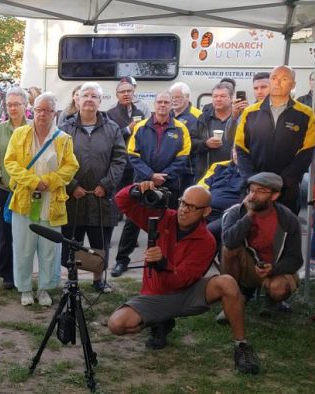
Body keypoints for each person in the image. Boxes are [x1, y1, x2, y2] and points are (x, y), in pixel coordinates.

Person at [107, 181, 260, 375]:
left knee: (227, 282)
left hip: (186, 293)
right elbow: (121, 202)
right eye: (182, 203)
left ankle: (241, 346)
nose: (183, 210)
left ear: (205, 212)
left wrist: (162, 262)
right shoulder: (161, 218)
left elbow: (182, 279)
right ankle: (158, 322)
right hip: (155, 294)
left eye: (191, 207)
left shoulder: (206, 241)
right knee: (116, 325)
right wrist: (137, 188)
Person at [4, 92, 79, 307]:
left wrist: (49, 180)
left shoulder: (63, 139)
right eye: (38, 110)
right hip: (25, 201)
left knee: (49, 249)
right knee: (23, 247)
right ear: (32, 111)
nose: (42, 114)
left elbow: (71, 166)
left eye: (47, 110)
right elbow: (10, 163)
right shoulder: (20, 134)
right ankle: (25, 289)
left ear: (54, 113)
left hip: (51, 202)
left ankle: (45, 288)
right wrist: (32, 181)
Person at [111, 91, 190, 277]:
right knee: (132, 224)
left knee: (168, 225)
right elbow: (133, 155)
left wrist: (165, 176)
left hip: (169, 185)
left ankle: (165, 262)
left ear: (171, 105)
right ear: (154, 105)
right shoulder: (140, 127)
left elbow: (183, 157)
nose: (163, 105)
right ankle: (121, 261)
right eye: (160, 102)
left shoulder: (181, 129)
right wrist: (150, 175)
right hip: (143, 183)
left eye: (166, 102)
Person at [60, 82, 126, 292]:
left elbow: (119, 160)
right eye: (85, 95)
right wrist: (71, 186)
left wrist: (105, 185)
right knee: (73, 242)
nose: (89, 99)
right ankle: (73, 281)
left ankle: (99, 280)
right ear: (77, 99)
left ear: (100, 101)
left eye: (94, 96)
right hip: (74, 197)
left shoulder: (112, 128)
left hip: (101, 197)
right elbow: (57, 161)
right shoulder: (64, 129)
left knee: (99, 243)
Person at [235, 65, 315, 213]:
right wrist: (254, 182)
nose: (278, 83)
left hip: (286, 192)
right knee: (250, 232)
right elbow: (241, 149)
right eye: (274, 78)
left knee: (282, 234)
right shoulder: (250, 113)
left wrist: (280, 183)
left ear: (293, 84)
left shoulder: (306, 114)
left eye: (284, 79)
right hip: (252, 191)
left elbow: (306, 154)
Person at [221, 172, 303, 305]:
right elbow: (229, 242)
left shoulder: (288, 219)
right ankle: (232, 298)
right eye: (251, 190)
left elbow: (295, 259)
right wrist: (249, 215)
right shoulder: (237, 212)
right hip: (248, 268)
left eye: (261, 191)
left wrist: (274, 269)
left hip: (276, 269)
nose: (253, 196)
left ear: (274, 196)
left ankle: (271, 298)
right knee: (229, 250)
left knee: (279, 290)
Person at [0, 87, 30, 290]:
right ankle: (8, 276)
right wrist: (1, 176)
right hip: (4, 189)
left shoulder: (34, 129)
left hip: (28, 189)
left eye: (16, 104)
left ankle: (25, 275)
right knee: (5, 234)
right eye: (9, 104)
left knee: (27, 235)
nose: (12, 108)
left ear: (26, 106)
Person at [107, 78, 146, 188]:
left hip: (136, 161)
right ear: (117, 95)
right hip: (118, 161)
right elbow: (109, 138)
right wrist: (128, 129)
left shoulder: (139, 113)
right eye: (122, 92)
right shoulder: (110, 114)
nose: (126, 94)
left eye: (129, 91)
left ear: (133, 93)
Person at [170, 82, 207, 190]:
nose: (174, 100)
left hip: (189, 170)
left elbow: (202, 143)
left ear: (187, 97)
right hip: (169, 169)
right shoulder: (167, 114)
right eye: (172, 97)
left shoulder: (198, 116)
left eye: (178, 97)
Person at [197, 83, 236, 178]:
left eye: (223, 96)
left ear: (231, 98)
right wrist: (205, 143)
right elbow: (191, 142)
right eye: (215, 96)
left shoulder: (240, 118)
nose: (218, 99)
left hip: (233, 174)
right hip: (207, 175)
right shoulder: (203, 118)